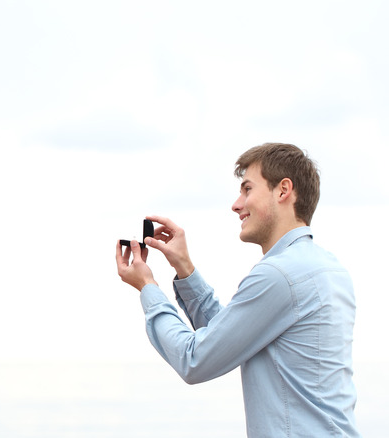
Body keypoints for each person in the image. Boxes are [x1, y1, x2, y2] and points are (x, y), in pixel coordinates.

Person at [115, 143, 360, 437]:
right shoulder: (329, 268)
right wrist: (184, 268)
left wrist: (148, 287)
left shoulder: (279, 275)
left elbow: (194, 359)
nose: (236, 204)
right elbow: (229, 336)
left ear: (283, 190)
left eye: (247, 189)